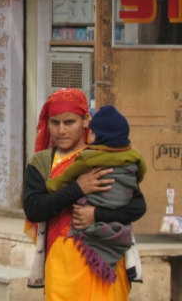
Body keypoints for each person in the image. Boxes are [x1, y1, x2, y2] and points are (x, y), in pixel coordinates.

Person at [23, 89, 146, 300]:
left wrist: (96, 214)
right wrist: (77, 189)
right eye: (55, 123)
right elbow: (34, 210)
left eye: (69, 122)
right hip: (62, 261)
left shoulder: (107, 158)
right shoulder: (40, 163)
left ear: (85, 121)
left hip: (105, 258)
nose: (61, 130)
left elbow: (136, 207)